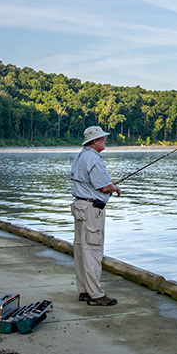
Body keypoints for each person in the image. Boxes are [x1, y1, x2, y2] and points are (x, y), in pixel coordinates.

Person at [70, 125, 121, 306]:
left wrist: (109, 185)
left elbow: (92, 183)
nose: (105, 141)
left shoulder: (81, 156)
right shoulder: (93, 158)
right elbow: (104, 187)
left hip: (80, 206)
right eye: (102, 139)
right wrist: (115, 187)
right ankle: (96, 295)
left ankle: (84, 291)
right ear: (94, 142)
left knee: (81, 250)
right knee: (92, 250)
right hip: (92, 210)